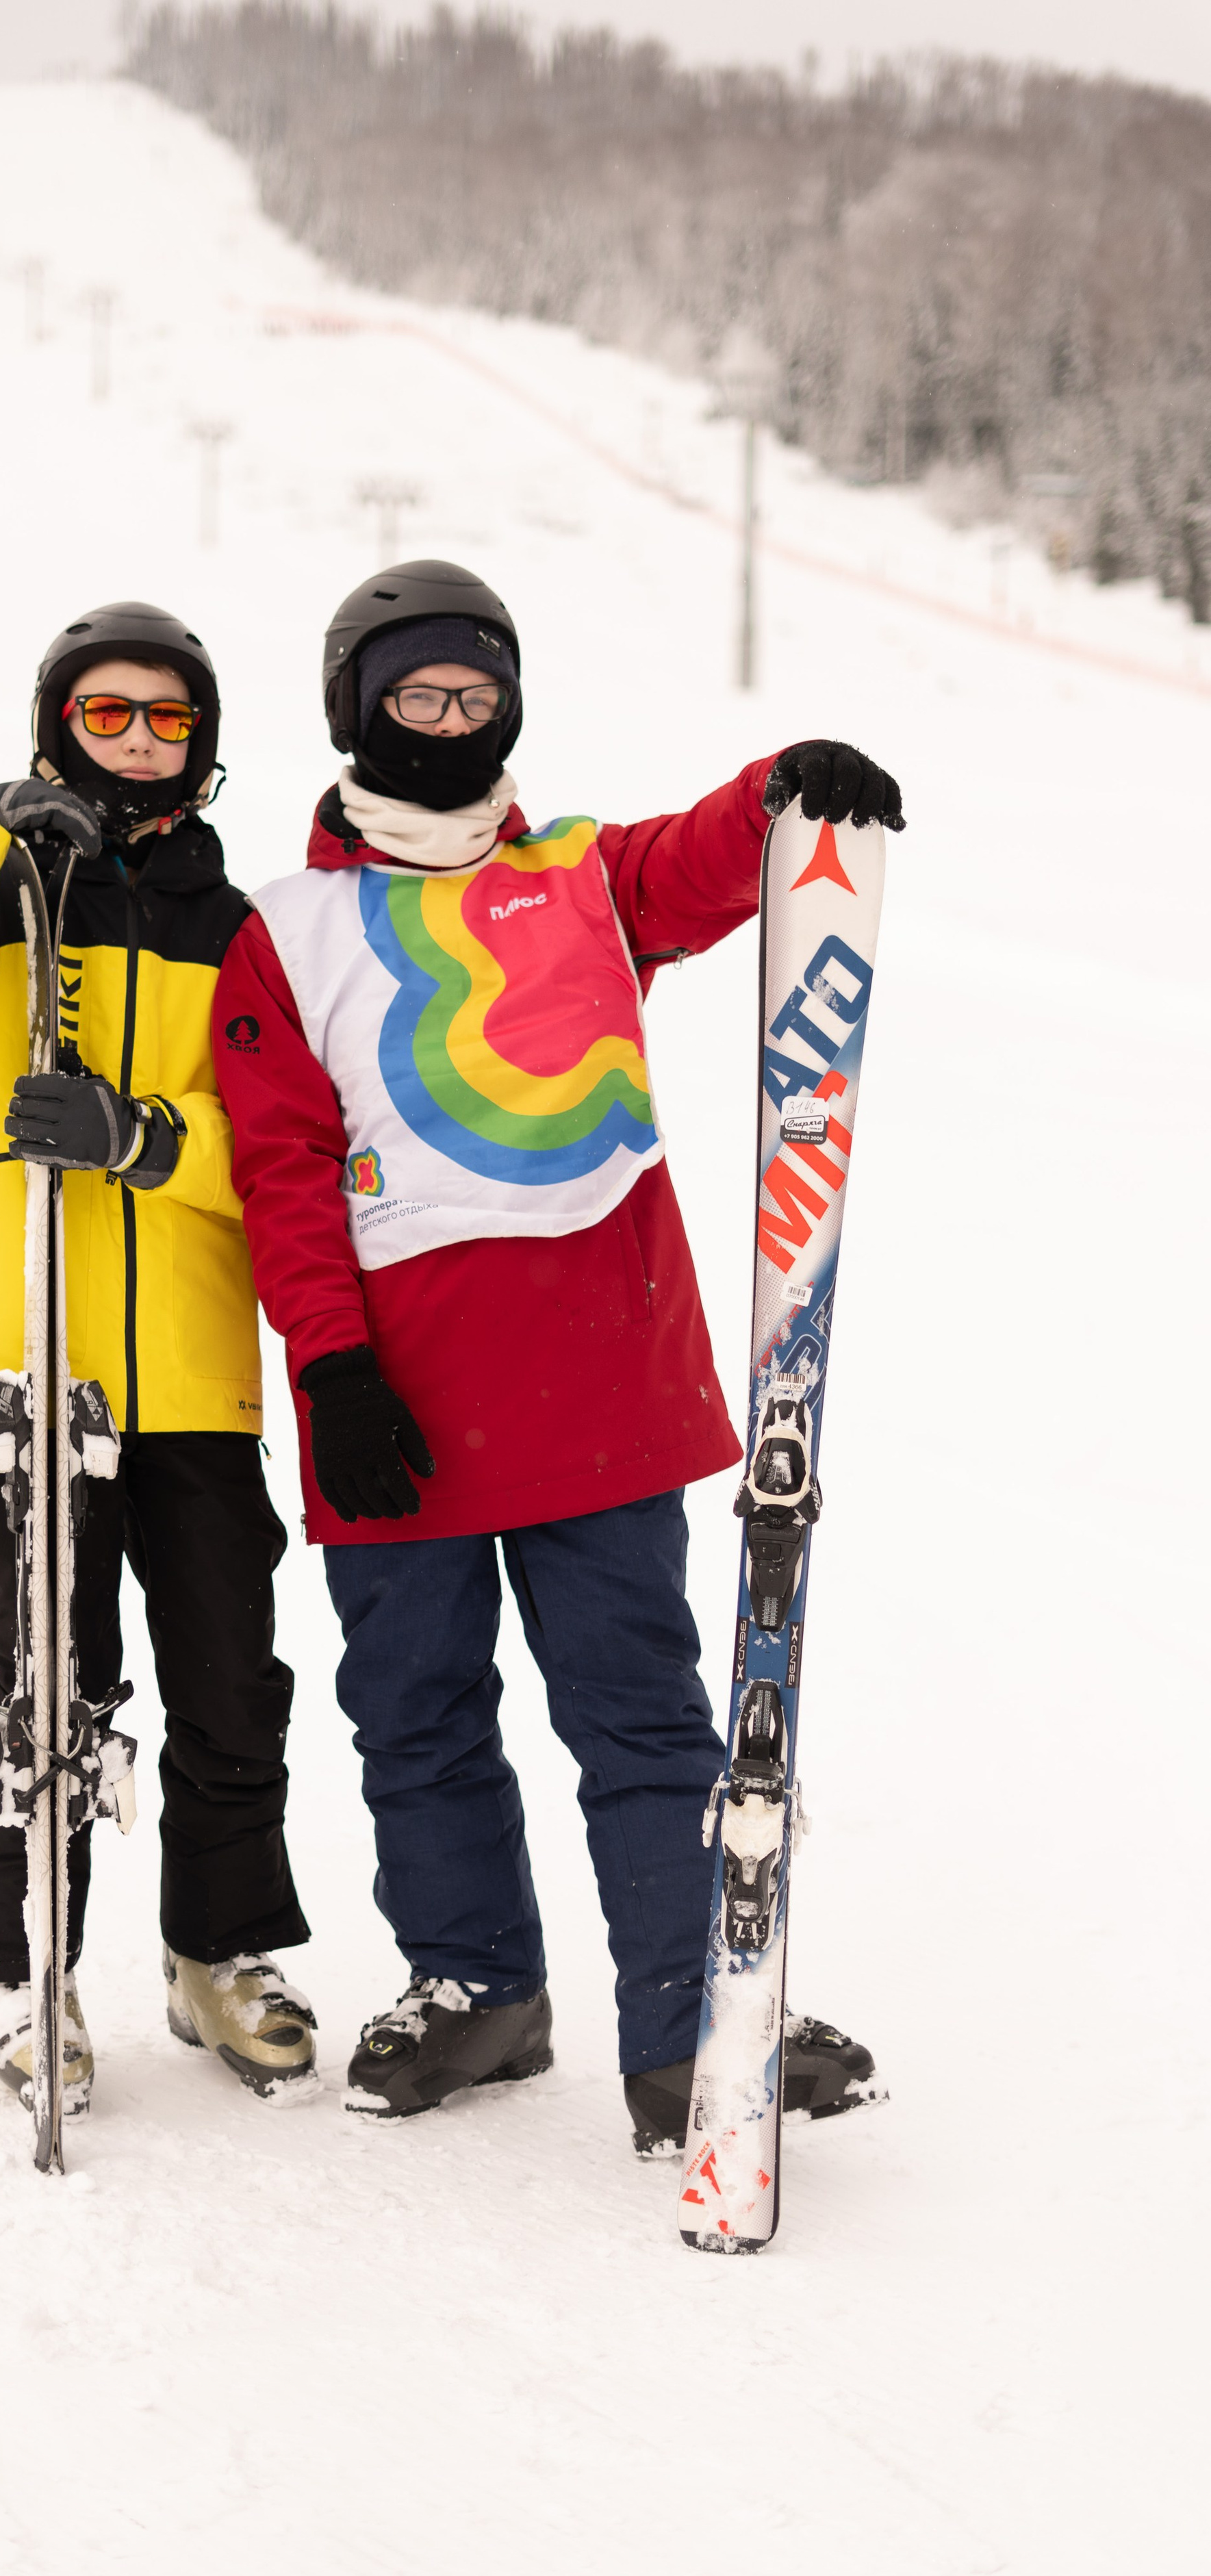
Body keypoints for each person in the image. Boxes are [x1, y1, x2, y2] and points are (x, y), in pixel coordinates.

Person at [212, 557, 903, 2146]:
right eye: (416, 693)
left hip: (596, 1373)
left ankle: (692, 2016)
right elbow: (283, 1167)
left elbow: (697, 862)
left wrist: (783, 789)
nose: (449, 720)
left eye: (477, 694)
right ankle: (476, 1990)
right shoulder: (286, 929)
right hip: (393, 1394)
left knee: (636, 1709)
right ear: (354, 709)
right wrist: (331, 1366)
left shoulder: (581, 875)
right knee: (417, 1711)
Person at [0, 600, 316, 2114]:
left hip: (187, 1367)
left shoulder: (236, 928)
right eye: (104, 713)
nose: (135, 739)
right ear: (55, 726)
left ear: (203, 742)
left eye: (165, 717)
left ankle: (218, 1953)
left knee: (229, 1684)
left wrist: (146, 1140)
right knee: (47, 1686)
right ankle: (23, 1971)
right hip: (26, 1360)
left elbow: (281, 1149)